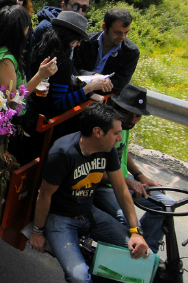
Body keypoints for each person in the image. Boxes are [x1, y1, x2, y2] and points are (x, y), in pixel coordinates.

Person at [29, 103, 150, 283]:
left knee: (137, 253)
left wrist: (135, 232)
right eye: (116, 133)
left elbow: (121, 189)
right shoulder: (63, 153)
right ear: (98, 132)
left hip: (89, 213)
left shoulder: (107, 150)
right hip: (61, 219)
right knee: (79, 277)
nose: (119, 138)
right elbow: (44, 195)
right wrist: (37, 232)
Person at [20, 11, 113, 165]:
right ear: (69, 38)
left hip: (31, 114)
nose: (78, 44)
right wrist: (88, 89)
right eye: (77, 40)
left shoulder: (40, 49)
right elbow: (60, 102)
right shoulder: (63, 63)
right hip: (46, 125)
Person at [93, 84, 174, 253]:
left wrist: (139, 176)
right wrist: (128, 182)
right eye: (134, 115)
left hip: (125, 181)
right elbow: (94, 172)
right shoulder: (105, 129)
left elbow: (123, 151)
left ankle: (147, 253)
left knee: (166, 204)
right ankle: (134, 251)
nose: (136, 120)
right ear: (122, 110)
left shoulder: (124, 127)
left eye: (139, 116)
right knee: (127, 221)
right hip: (105, 186)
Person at [0, 5, 58, 131]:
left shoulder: (4, 51)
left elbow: (15, 89)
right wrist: (40, 76)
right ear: (19, 30)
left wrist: (34, 88)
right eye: (27, 25)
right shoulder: (5, 60)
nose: (29, 29)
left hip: (1, 119)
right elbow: (12, 101)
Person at [73, 8, 140, 95]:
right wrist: (93, 76)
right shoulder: (85, 41)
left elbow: (120, 84)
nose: (123, 37)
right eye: (117, 32)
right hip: (77, 90)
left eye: (126, 32)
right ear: (104, 27)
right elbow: (74, 68)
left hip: (105, 98)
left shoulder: (131, 52)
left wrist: (99, 83)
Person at [29, 0, 92, 73]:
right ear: (63, 6)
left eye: (84, 8)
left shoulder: (76, 29)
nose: (80, 12)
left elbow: (74, 65)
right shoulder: (49, 28)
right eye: (75, 6)